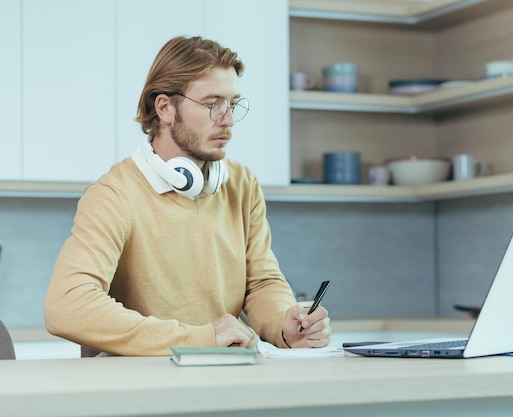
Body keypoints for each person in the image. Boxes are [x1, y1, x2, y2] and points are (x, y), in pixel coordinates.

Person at [44, 36, 331, 356]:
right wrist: (200, 339)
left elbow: (262, 283)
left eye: (232, 104)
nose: (229, 120)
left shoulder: (241, 183)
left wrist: (284, 323)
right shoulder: (114, 195)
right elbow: (68, 305)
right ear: (165, 108)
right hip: (144, 390)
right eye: (212, 105)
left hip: (226, 378)